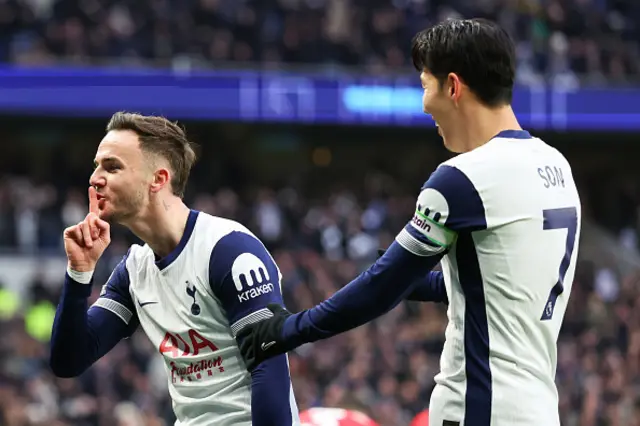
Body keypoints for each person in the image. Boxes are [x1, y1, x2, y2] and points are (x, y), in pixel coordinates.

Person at [237, 18, 581, 426]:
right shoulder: (556, 165)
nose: (423, 104)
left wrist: (290, 329)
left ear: (453, 86)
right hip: (538, 410)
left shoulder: (463, 178)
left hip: (477, 409)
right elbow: (505, 284)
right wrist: (424, 284)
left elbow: (381, 286)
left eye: (425, 86)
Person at [49, 112, 300, 426]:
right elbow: (69, 361)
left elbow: (269, 369)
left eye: (112, 167)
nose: (95, 178)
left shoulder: (229, 250)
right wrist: (79, 272)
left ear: (158, 179)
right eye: (97, 166)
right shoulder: (134, 271)